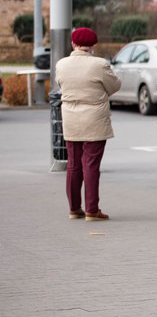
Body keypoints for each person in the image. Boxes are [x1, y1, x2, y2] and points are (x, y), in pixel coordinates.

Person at [54, 27, 121, 221]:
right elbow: (114, 86)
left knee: (73, 164)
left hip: (71, 117)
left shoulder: (62, 64)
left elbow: (61, 85)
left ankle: (74, 208)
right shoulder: (100, 64)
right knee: (91, 165)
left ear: (73, 44)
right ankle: (92, 209)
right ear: (93, 45)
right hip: (95, 118)